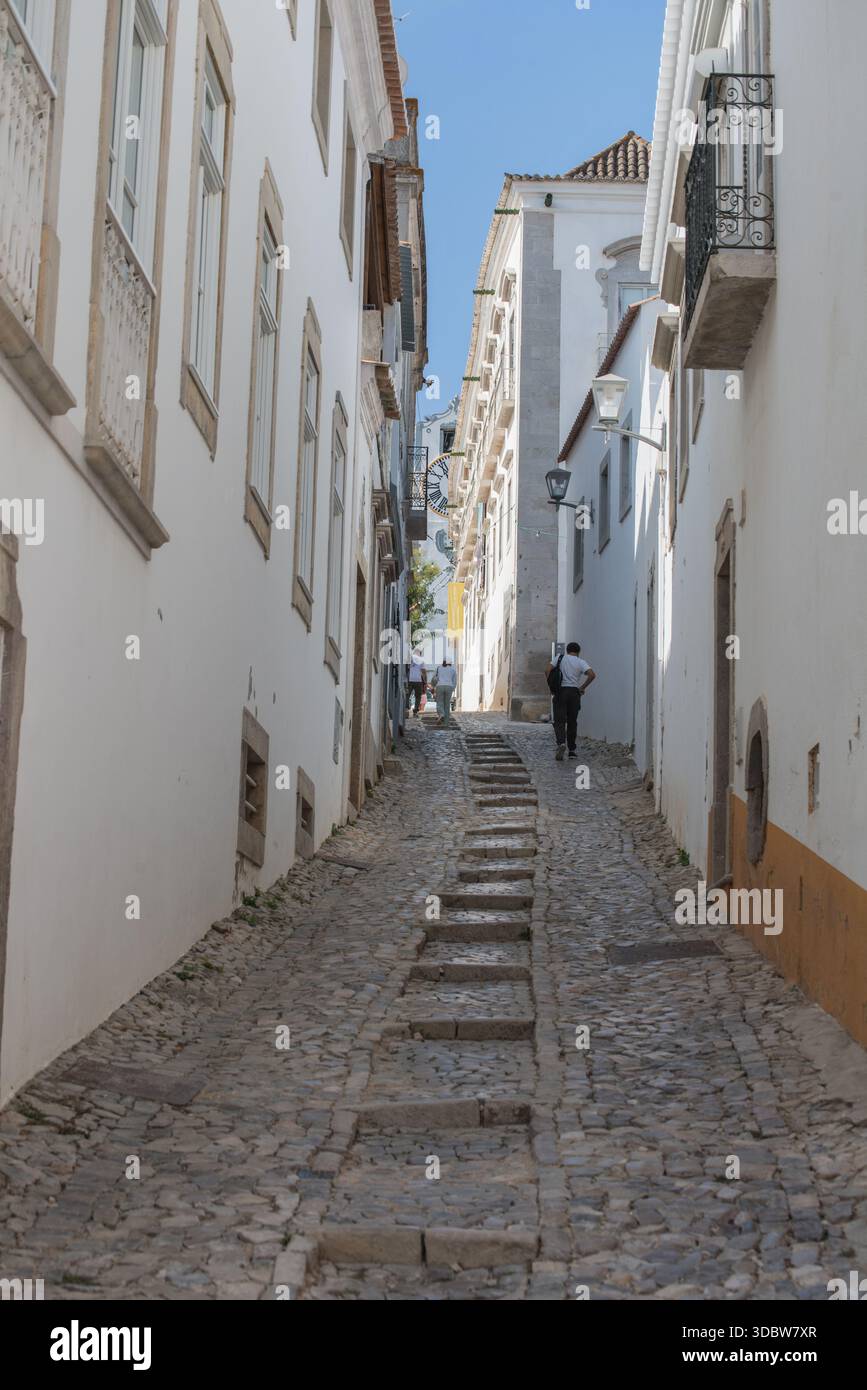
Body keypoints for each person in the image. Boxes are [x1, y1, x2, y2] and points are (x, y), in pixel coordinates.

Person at [546, 642, 596, 760]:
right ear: (578, 652)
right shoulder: (581, 662)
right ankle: (572, 750)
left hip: (560, 691)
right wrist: (582, 687)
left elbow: (547, 670)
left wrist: (551, 687)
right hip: (574, 693)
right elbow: (592, 675)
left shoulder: (559, 658)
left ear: (567, 650)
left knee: (559, 720)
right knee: (572, 721)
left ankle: (561, 743)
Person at [433, 659, 457, 726]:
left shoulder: (438, 668)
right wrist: (452, 689)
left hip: (440, 686)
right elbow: (454, 681)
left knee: (439, 702)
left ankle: (441, 714)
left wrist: (434, 686)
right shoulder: (453, 670)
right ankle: (446, 723)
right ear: (450, 663)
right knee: (447, 704)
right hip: (449, 687)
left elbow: (434, 678)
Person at [406, 652, 427, 718]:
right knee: (418, 696)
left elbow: (407, 668)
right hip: (418, 680)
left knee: (408, 694)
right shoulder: (421, 660)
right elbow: (423, 671)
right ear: (420, 654)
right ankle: (415, 711)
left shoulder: (410, 658)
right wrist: (425, 681)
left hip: (410, 679)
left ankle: (406, 708)